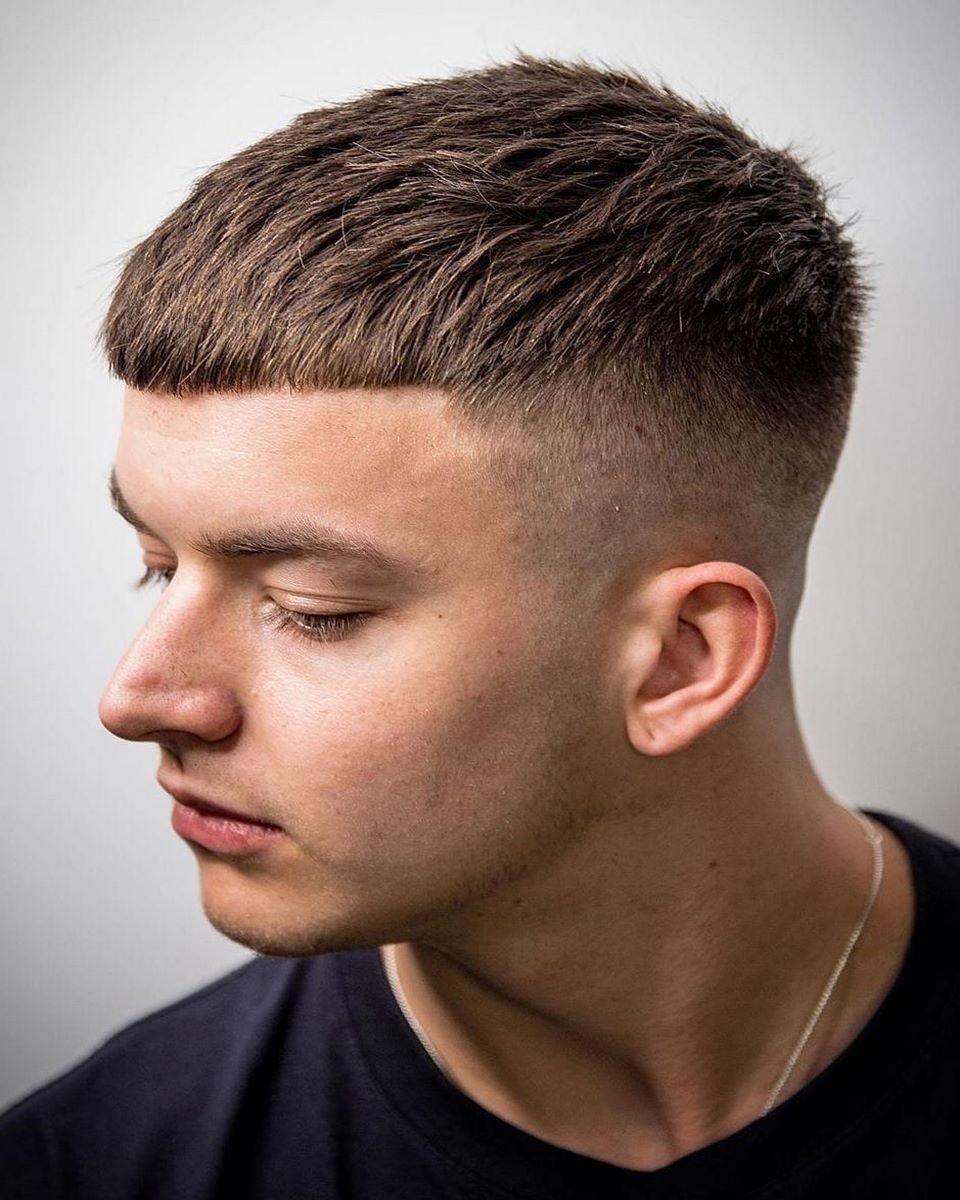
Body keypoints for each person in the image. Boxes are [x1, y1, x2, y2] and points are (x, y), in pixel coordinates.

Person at [1, 53, 957, 1200]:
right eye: (156, 566)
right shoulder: (93, 1167)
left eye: (314, 611)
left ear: (680, 661)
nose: (137, 699)